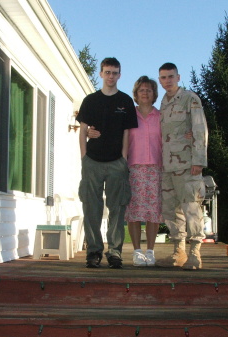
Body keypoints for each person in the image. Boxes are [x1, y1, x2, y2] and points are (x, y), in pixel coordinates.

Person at [88, 76, 163, 267]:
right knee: (134, 211)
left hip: (156, 167)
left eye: (148, 90)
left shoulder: (161, 116)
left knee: (153, 212)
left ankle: (150, 251)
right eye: (141, 90)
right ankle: (137, 251)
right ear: (136, 94)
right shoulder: (129, 114)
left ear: (154, 93)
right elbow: (111, 131)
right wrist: (89, 131)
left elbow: (171, 137)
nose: (145, 93)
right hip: (132, 167)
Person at [77, 57, 137, 269]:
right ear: (101, 74)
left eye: (115, 72)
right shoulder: (90, 100)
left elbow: (127, 132)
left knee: (117, 208)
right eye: (107, 72)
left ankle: (115, 253)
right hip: (92, 162)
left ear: (119, 75)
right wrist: (84, 157)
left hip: (116, 163)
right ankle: (93, 252)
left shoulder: (126, 101)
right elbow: (83, 130)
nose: (111, 76)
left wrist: (124, 158)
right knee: (91, 208)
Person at [155, 62, 208, 270]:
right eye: (163, 78)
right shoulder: (164, 103)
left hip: (188, 165)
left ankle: (195, 253)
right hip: (167, 166)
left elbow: (200, 129)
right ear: (160, 80)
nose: (167, 81)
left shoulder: (190, 98)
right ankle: (179, 252)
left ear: (178, 77)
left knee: (191, 207)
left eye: (170, 76)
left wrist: (198, 161)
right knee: (171, 210)